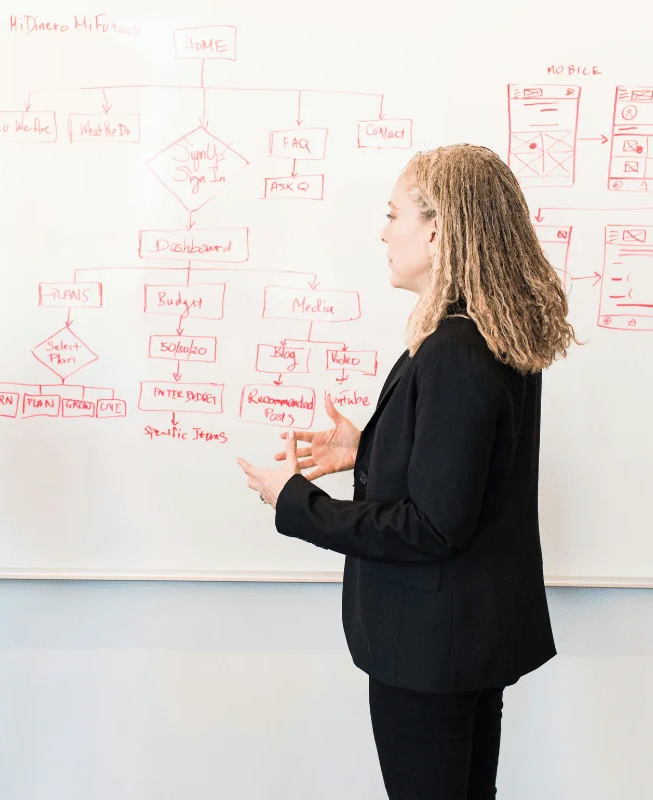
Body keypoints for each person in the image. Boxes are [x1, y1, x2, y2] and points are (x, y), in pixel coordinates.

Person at [237, 144, 577, 799]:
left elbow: (432, 526)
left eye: (394, 215)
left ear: (438, 229)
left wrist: (296, 502)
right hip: (465, 640)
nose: (383, 232)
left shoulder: (455, 349)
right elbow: (467, 476)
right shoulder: (494, 335)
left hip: (431, 651)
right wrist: (366, 449)